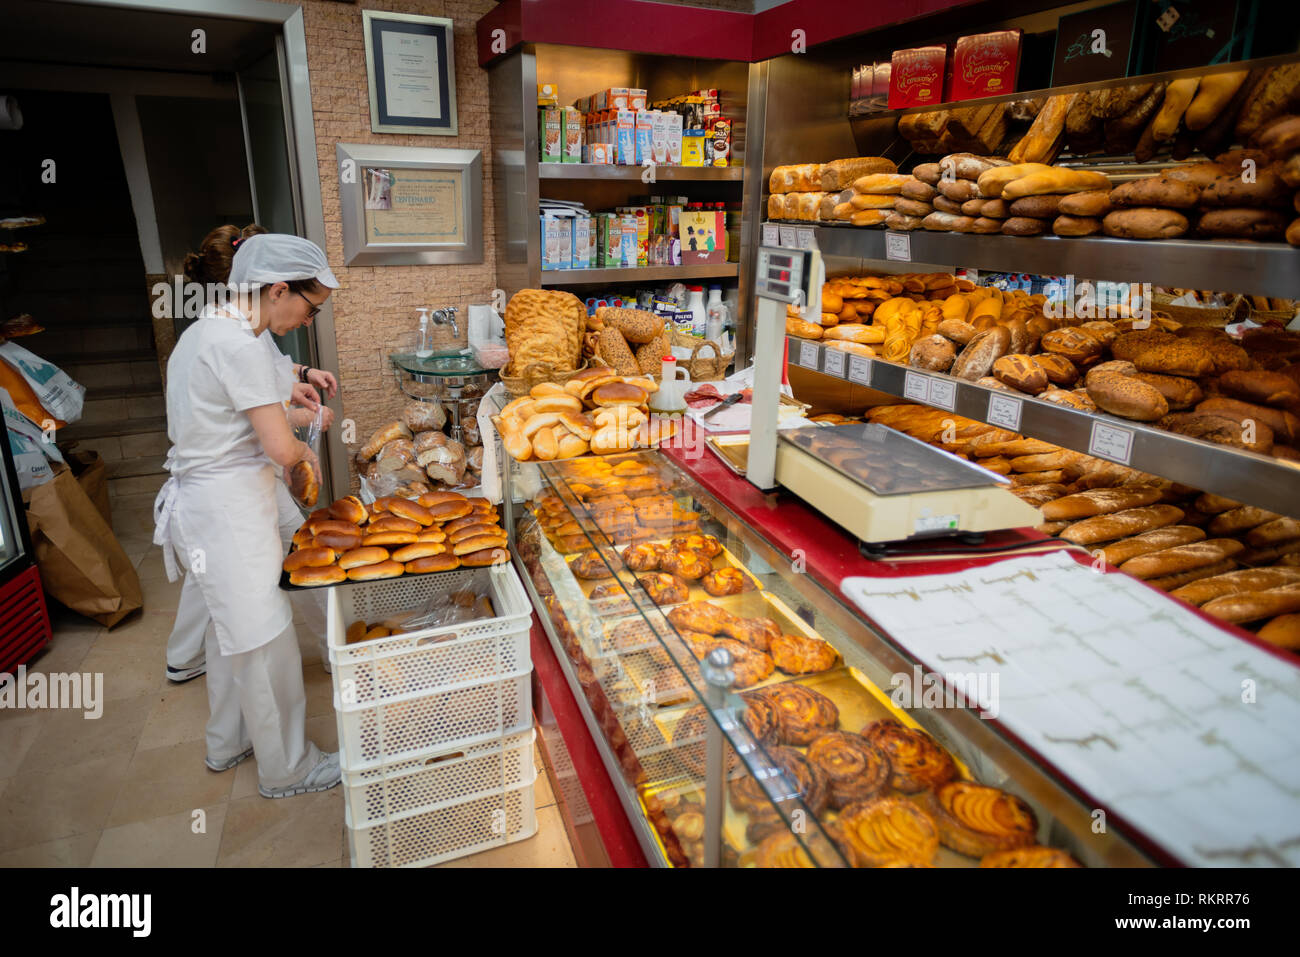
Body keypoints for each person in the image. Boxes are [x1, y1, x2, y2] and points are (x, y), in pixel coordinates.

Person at [153, 232, 340, 797]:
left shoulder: (216, 328)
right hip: (225, 507)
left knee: (230, 632)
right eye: (309, 308)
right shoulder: (234, 342)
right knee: (262, 637)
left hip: (223, 497)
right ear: (278, 288)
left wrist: (293, 401)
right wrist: (307, 445)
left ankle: (228, 739)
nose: (307, 322)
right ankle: (288, 769)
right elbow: (282, 450)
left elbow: (249, 405)